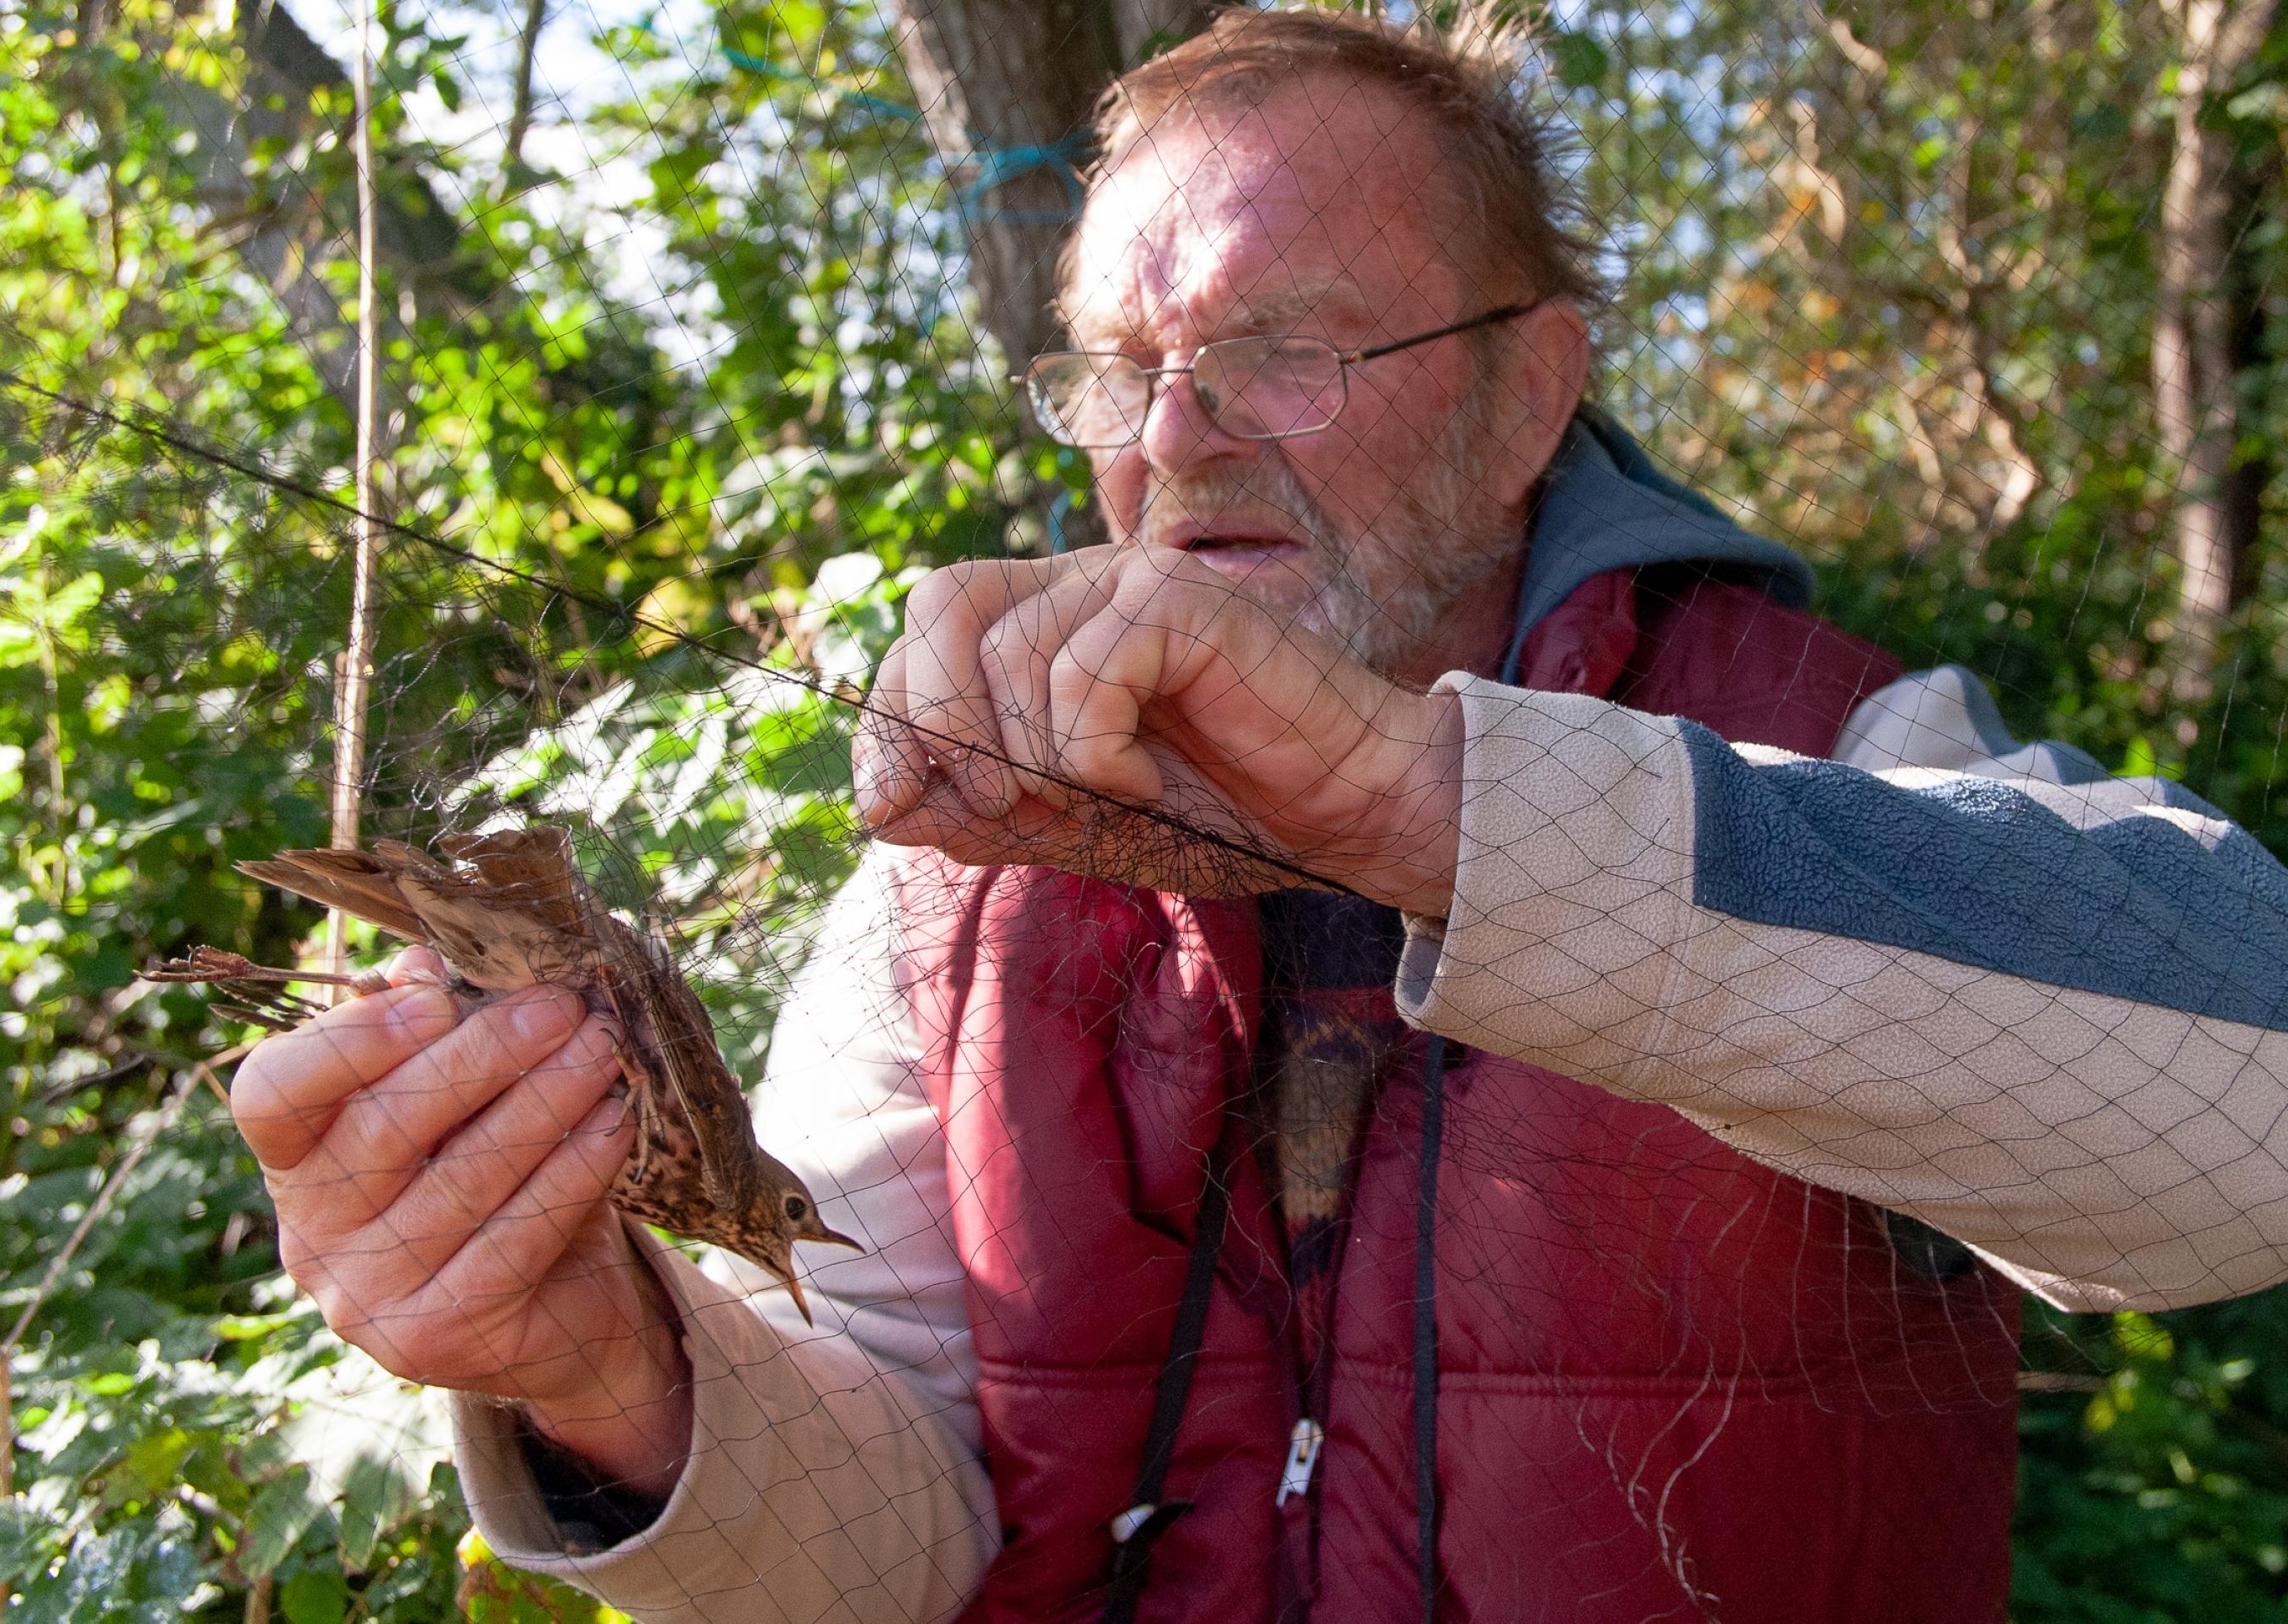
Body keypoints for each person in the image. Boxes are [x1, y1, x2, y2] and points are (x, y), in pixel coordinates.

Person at [227, 9, 2288, 1621]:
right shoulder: (956, 891)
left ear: (1531, 395)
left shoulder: (1842, 742)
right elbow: (906, 1539)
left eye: (1283, 352)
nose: (1173, 440)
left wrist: (1422, 801)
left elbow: (2246, 1140)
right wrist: (611, 1373)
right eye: (1118, 373)